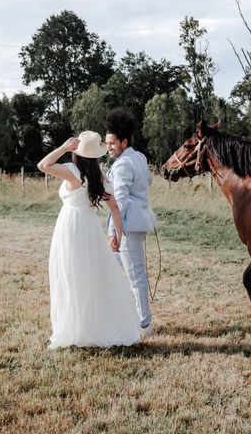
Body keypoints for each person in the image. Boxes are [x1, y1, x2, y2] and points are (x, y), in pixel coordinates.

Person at [37, 131, 141, 348]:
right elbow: (115, 208)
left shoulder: (73, 171)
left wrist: (64, 148)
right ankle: (88, 326)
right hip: (89, 227)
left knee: (70, 276)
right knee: (91, 276)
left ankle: (77, 328)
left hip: (70, 227)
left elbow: (43, 165)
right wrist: (117, 235)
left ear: (78, 152)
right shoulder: (99, 177)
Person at [104, 109, 157, 337]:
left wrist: (113, 233)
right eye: (106, 143)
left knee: (136, 276)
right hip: (137, 222)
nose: (108, 147)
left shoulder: (123, 164)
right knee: (117, 272)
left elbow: (120, 203)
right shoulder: (139, 157)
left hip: (127, 227)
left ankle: (144, 325)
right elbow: (149, 180)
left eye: (112, 143)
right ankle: (122, 316)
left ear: (124, 142)